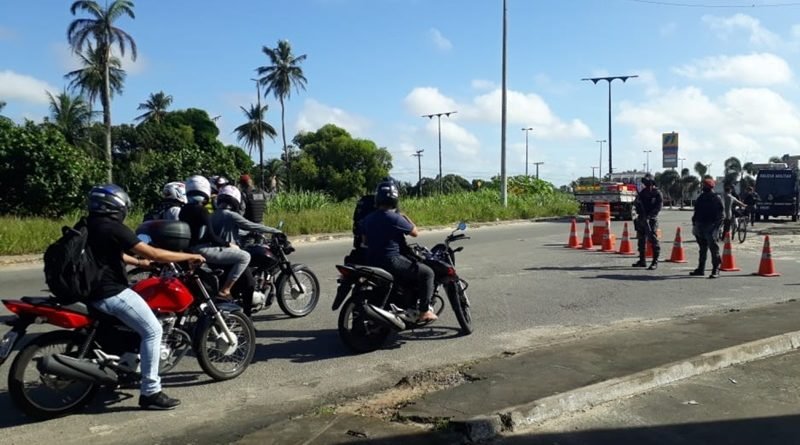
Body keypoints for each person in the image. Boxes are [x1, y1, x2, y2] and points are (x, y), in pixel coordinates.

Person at [85, 184, 205, 410]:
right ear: (116, 206)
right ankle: (151, 391)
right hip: (109, 292)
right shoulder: (114, 228)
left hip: (87, 290)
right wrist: (189, 256)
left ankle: (121, 367)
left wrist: (139, 263)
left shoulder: (88, 224)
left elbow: (114, 254)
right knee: (153, 330)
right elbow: (154, 253)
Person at [360, 180, 437, 323]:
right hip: (391, 260)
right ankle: (425, 311)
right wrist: (405, 217)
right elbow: (415, 233)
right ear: (394, 199)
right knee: (427, 273)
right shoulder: (395, 218)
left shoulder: (368, 219)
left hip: (371, 260)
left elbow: (364, 242)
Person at [210, 185, 282, 315]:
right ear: (234, 201)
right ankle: (247, 317)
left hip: (217, 255)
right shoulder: (230, 215)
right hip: (230, 257)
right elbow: (252, 225)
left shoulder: (214, 215)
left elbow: (236, 230)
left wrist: (248, 234)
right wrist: (276, 231)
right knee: (250, 284)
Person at [179, 175, 249, 300]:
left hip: (190, 249)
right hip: (203, 249)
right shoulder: (202, 211)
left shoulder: (183, 210)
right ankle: (225, 290)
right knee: (244, 256)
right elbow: (212, 237)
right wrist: (228, 244)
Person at [691, 178, 724, 278]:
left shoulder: (716, 198)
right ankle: (701, 268)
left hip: (711, 226)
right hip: (700, 225)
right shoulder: (701, 197)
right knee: (702, 249)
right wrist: (694, 223)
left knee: (713, 249)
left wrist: (716, 228)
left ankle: (716, 269)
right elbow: (696, 212)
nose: (703, 187)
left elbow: (721, 215)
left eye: (705, 186)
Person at [632, 173, 663, 270]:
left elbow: (658, 207)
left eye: (648, 183)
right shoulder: (642, 192)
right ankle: (642, 260)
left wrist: (649, 216)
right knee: (641, 240)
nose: (646, 185)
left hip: (651, 220)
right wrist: (637, 208)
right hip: (642, 218)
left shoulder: (657, 193)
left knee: (653, 240)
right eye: (645, 183)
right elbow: (636, 204)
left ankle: (655, 261)